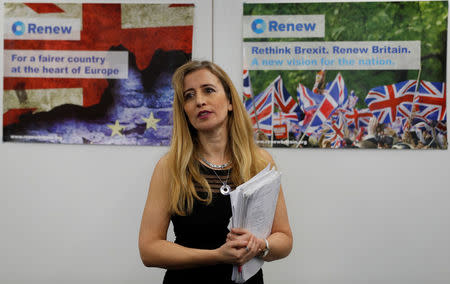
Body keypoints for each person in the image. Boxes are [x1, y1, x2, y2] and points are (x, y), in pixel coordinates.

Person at [138, 60, 293, 284]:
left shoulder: (259, 162)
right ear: (184, 110)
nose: (199, 101)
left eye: (208, 90)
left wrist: (260, 245)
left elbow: (284, 239)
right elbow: (149, 249)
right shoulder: (170, 167)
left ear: (230, 101)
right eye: (189, 96)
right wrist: (217, 256)